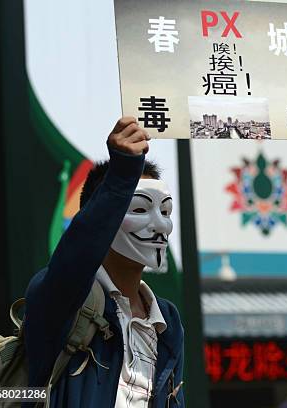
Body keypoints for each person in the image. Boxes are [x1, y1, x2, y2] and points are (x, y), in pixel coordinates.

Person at [23, 117, 185, 407]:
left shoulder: (167, 320)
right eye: (140, 208)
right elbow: (77, 253)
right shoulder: (63, 299)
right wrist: (122, 172)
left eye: (166, 211)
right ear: (104, 217)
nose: (161, 225)